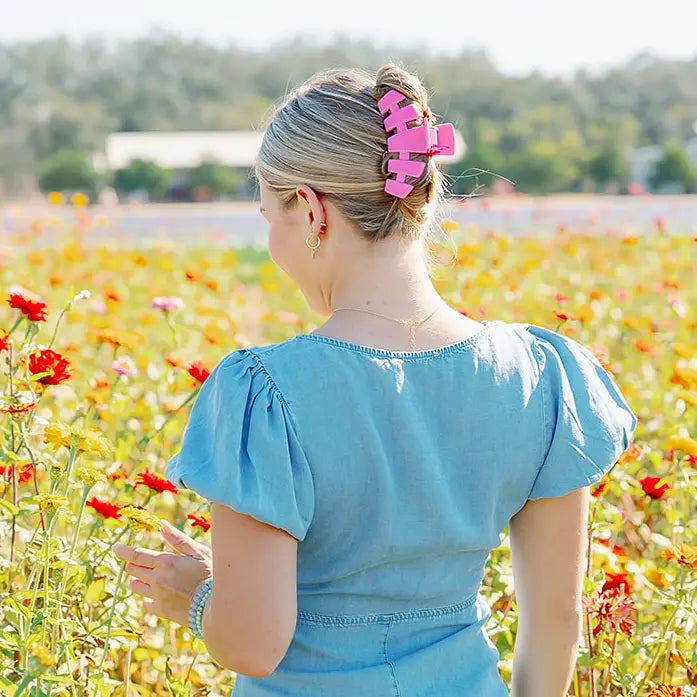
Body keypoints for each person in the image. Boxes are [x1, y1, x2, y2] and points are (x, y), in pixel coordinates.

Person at [115, 63, 638, 696]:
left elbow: (253, 643)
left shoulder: (265, 391)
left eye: (268, 215)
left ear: (309, 210)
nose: (272, 241)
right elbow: (556, 623)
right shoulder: (541, 373)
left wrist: (197, 595)